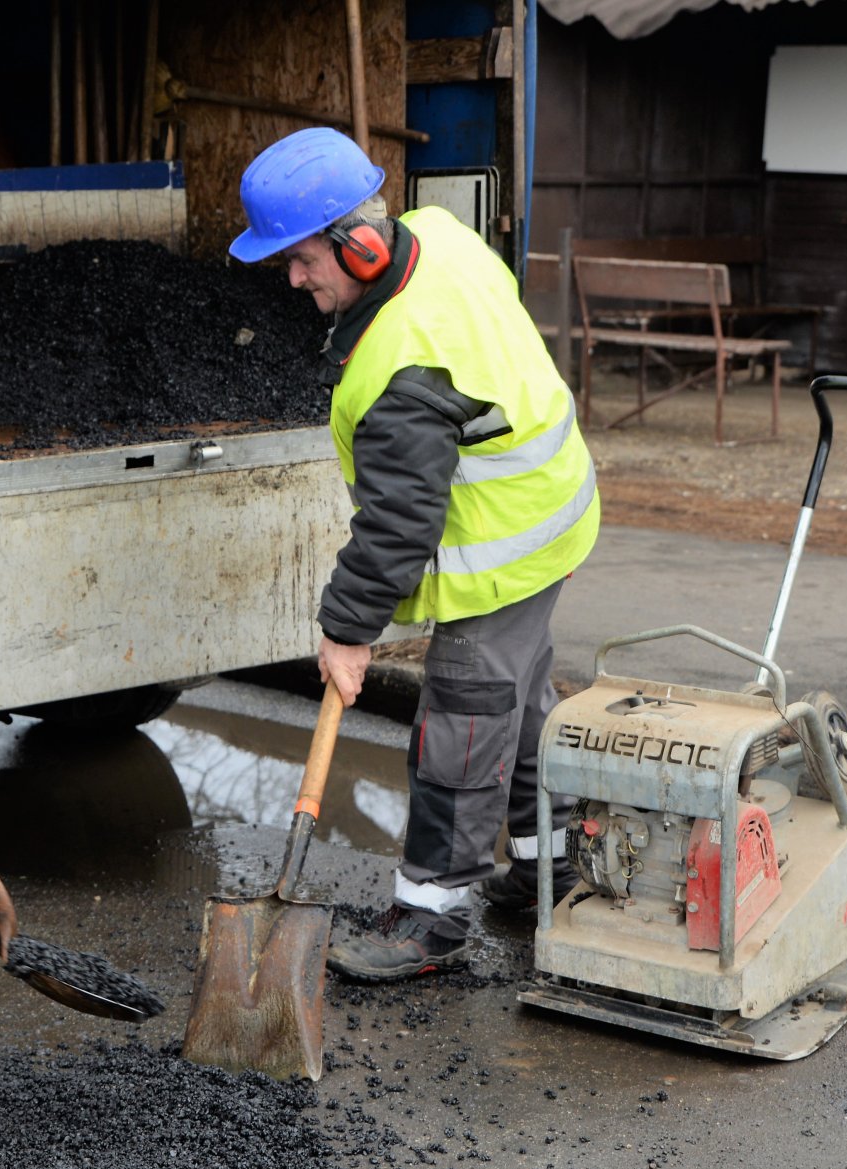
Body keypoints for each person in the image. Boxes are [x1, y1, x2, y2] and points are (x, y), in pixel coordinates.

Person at [228, 128, 599, 982]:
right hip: (553, 510)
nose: (291, 279)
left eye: (301, 259)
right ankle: (552, 868)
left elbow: (399, 523)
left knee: (463, 723)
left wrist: (347, 631)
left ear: (359, 244)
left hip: (503, 542)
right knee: (519, 703)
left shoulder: (402, 366)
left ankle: (433, 918)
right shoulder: (446, 238)